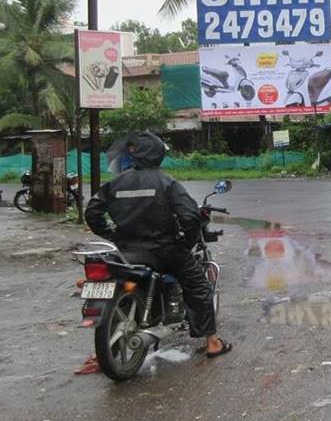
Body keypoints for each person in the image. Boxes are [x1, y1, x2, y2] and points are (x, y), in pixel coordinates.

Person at [85, 132, 232, 358]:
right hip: (163, 250)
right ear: (157, 154)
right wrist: (186, 242)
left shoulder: (116, 182)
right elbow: (190, 216)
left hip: (127, 251)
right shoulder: (166, 181)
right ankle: (212, 342)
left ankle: (103, 351)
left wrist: (113, 235)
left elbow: (93, 212)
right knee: (198, 286)